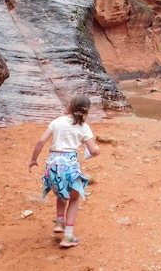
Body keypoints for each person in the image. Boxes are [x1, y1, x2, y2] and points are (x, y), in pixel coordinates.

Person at [28, 94, 100, 248]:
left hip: (52, 167)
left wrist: (33, 159)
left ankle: (59, 221)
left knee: (62, 194)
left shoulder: (57, 122)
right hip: (70, 168)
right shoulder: (84, 127)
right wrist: (97, 150)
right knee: (74, 198)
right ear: (86, 112)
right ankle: (68, 237)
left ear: (69, 107)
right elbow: (93, 150)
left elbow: (41, 141)